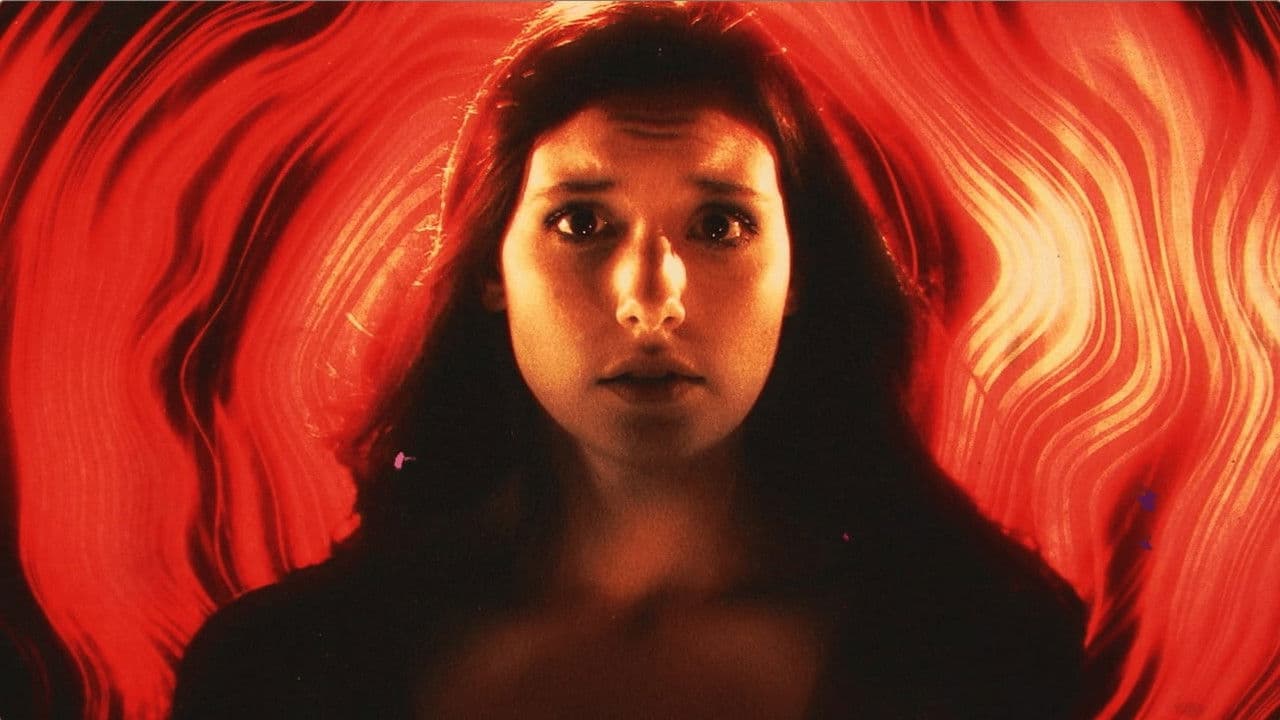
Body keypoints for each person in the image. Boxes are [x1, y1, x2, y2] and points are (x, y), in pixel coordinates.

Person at [172, 3, 1087, 718]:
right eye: (582, 221)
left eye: (720, 224)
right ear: (492, 268)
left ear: (799, 272)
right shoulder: (279, 669)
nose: (650, 298)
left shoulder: (982, 659)